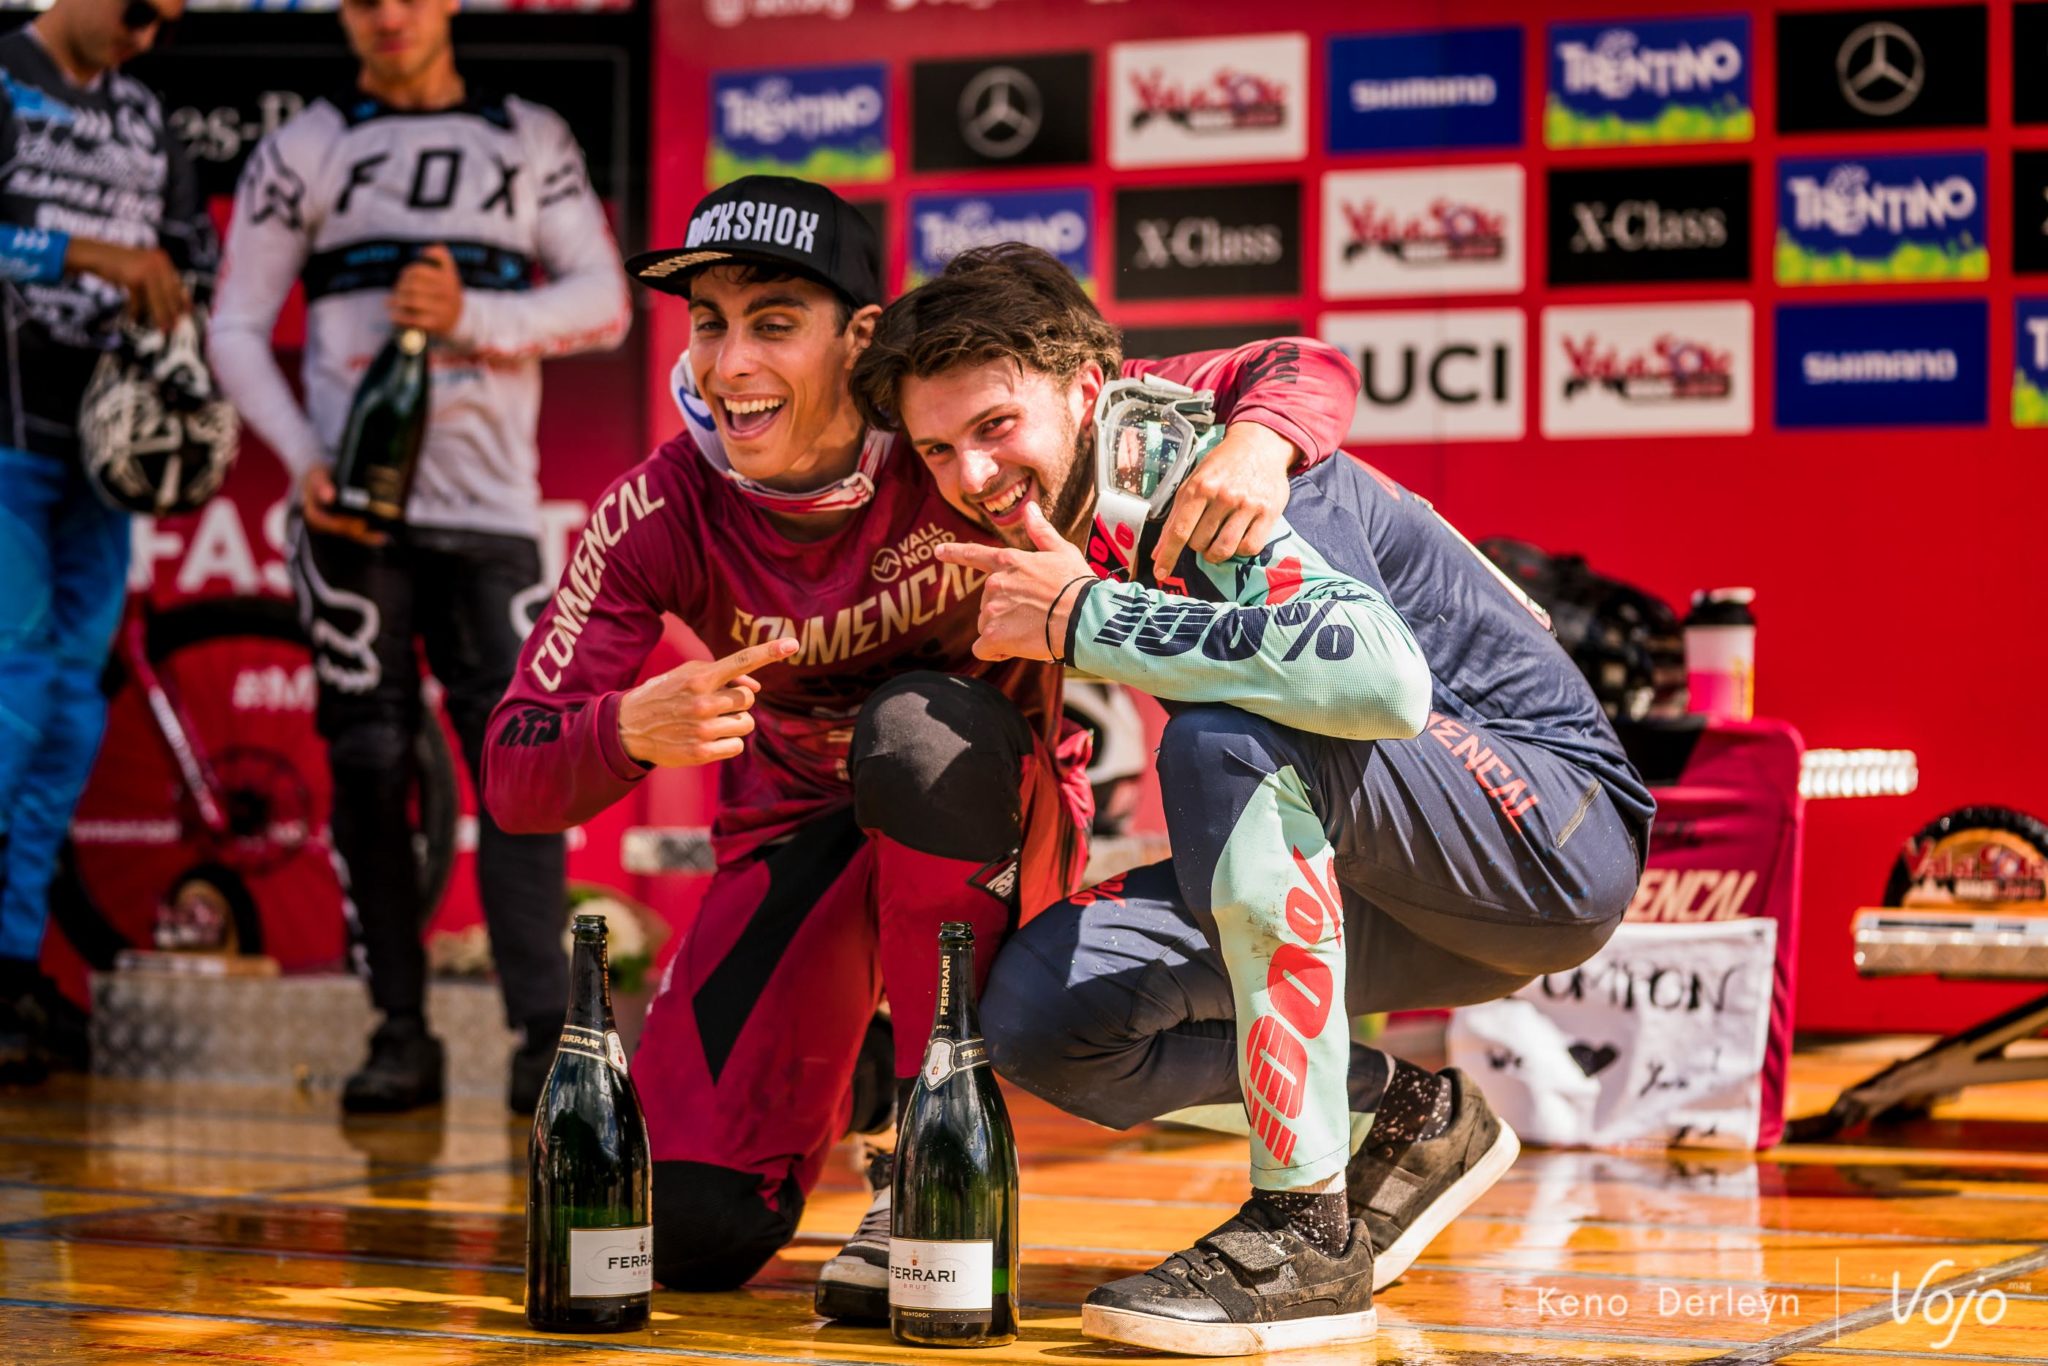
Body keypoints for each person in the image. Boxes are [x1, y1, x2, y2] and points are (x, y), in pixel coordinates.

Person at [481, 173, 1365, 1313]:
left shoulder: (949, 436)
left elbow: (1298, 364)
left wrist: (1257, 443)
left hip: (984, 804)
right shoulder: (658, 508)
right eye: (709, 323)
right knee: (687, 1234)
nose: (730, 363)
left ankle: (918, 1153)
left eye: (773, 323)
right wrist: (624, 730)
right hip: (797, 833)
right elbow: (515, 777)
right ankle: (850, 1061)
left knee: (911, 733)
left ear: (858, 340)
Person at [851, 244, 1656, 1356]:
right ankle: (1410, 1121)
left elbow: (1381, 683)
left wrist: (1084, 619)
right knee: (1041, 1017)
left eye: (995, 427)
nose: (973, 476)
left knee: (1226, 736)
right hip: (1392, 877)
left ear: (1085, 391)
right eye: (938, 449)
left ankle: (1303, 1238)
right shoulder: (1066, 491)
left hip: (1548, 837)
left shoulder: (1206, 458)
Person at [207, 0, 631, 1114]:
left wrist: (471, 314)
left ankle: (543, 1035)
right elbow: (233, 324)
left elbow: (605, 302)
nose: (387, 15)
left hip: (491, 516)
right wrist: (304, 457)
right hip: (353, 518)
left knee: (523, 764)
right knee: (367, 762)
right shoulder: (305, 145)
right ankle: (398, 1029)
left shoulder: (525, 134)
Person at [0, 0, 214, 1083]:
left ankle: (11, 967)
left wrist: (172, 305)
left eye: (167, 22)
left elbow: (192, 256)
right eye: (139, 12)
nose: (147, 35)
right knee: (16, 695)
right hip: (3, 444)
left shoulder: (145, 118)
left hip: (104, 453)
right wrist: (79, 251)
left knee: (72, 711)